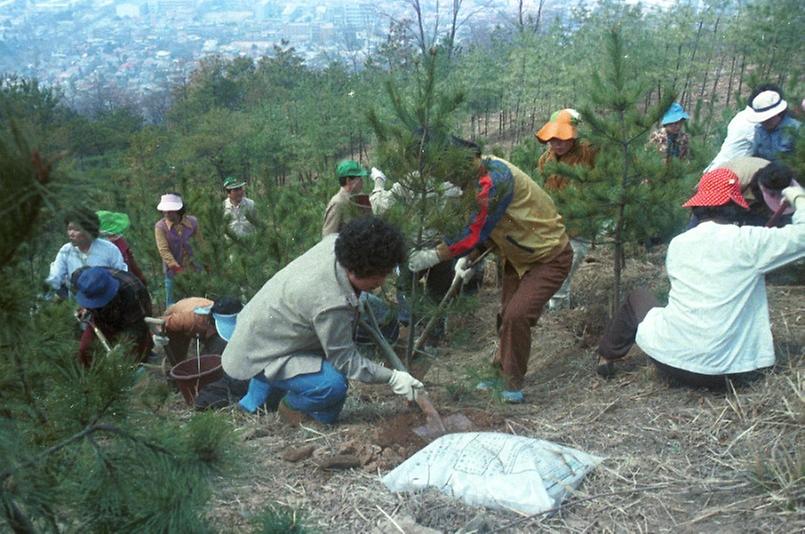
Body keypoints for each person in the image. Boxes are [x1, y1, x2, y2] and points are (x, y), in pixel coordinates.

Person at [594, 169, 805, 388]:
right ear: (734, 206)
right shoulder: (749, 242)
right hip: (729, 373)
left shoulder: (678, 244)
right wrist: (798, 197)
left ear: (699, 206)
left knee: (638, 297)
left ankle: (606, 357)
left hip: (671, 362)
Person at [409, 141, 572, 403]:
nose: (452, 180)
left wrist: (433, 256)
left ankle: (511, 384)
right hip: (518, 257)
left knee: (516, 315)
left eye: (453, 174)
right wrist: (470, 259)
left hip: (548, 257)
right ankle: (499, 372)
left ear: (468, 162)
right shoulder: (479, 178)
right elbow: (493, 229)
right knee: (505, 317)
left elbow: (472, 232)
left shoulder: (494, 181)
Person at [222, 217, 422, 425]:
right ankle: (291, 407)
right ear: (357, 269)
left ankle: (256, 401)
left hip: (261, 334)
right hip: (258, 352)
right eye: (380, 275)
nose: (382, 281)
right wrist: (392, 377)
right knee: (332, 386)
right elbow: (346, 362)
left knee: (302, 357)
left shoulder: (336, 244)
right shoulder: (330, 303)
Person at [535, 108, 597, 310]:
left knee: (563, 275)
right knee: (549, 275)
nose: (556, 144)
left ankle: (559, 321)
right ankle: (552, 316)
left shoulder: (588, 152)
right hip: (552, 227)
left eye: (562, 138)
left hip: (579, 228)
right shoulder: (545, 160)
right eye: (552, 139)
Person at [72, 266, 152, 367]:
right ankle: (90, 378)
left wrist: (122, 346)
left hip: (129, 321)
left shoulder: (133, 290)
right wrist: (84, 307)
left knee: (131, 361)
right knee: (85, 349)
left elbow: (139, 328)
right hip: (100, 318)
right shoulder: (82, 278)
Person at [45, 208, 127, 298]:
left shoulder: (109, 249)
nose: (71, 233)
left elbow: (121, 275)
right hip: (77, 302)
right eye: (69, 229)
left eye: (76, 230)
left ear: (89, 231)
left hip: (106, 301)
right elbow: (55, 276)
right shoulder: (66, 251)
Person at [157, 296, 242, 366]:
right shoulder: (189, 319)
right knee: (177, 361)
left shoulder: (226, 309)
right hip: (177, 323)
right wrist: (158, 335)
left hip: (201, 320)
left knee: (217, 345)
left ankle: (205, 367)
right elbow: (159, 322)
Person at [154, 193, 202, 307]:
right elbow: (164, 250)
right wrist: (176, 267)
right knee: (172, 302)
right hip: (173, 270)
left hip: (194, 266)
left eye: (170, 211)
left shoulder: (192, 222)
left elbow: (201, 243)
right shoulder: (161, 227)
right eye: (165, 211)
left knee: (197, 299)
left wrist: (206, 261)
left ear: (178, 210)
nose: (167, 214)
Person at [748, 88, 801, 162]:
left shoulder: (796, 129)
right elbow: (755, 157)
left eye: (768, 119)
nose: (764, 122)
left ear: (778, 113)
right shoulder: (760, 131)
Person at [96, 210, 148, 287]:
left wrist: (141, 278)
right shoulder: (95, 247)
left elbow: (131, 260)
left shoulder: (120, 241)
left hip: (126, 281)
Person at [322, 160, 371, 237]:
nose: (362, 182)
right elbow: (328, 237)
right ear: (348, 181)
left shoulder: (359, 198)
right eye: (359, 178)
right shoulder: (338, 203)